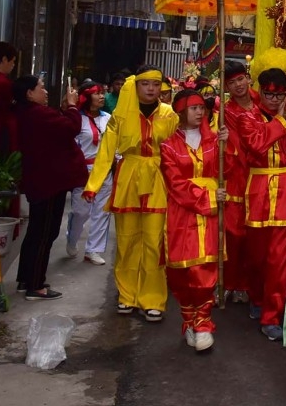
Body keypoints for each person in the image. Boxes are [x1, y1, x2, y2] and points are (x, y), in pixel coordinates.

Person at [83, 67, 179, 321]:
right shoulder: (121, 115)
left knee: (154, 243)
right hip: (128, 180)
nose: (150, 89)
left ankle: (153, 299)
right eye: (145, 83)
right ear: (135, 86)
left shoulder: (169, 115)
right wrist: (93, 185)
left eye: (155, 85)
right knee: (126, 243)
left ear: (161, 88)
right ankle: (127, 295)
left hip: (158, 180)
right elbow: (106, 150)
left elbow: (179, 149)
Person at [236, 67, 286, 340]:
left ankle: (272, 315)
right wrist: (283, 123)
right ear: (260, 92)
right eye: (269, 94)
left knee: (282, 261)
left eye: (280, 95)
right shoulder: (247, 119)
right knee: (257, 258)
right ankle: (257, 296)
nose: (275, 100)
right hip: (258, 194)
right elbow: (257, 144)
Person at [159, 89, 230, 352]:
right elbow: (175, 184)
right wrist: (209, 198)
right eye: (194, 108)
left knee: (205, 270)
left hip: (210, 216)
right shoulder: (168, 146)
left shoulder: (214, 142)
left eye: (202, 107)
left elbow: (227, 170)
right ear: (180, 111)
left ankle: (203, 323)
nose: (200, 112)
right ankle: (188, 319)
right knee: (180, 272)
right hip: (182, 212)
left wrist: (227, 145)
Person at [13, 75, 86, 300]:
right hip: (49, 181)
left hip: (41, 179)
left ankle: (26, 279)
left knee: (36, 231)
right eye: (41, 88)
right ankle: (36, 285)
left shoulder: (28, 113)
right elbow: (71, 127)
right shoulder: (37, 114)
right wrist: (73, 107)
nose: (45, 92)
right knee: (45, 233)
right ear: (29, 93)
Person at [221, 59, 260, 305]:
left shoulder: (263, 101)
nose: (237, 85)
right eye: (231, 82)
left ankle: (246, 284)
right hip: (237, 175)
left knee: (253, 234)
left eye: (240, 79)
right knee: (233, 233)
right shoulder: (225, 111)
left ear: (248, 78)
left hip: (260, 171)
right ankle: (228, 282)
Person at [65, 80, 113, 265]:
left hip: (104, 170)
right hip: (82, 170)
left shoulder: (108, 118)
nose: (102, 96)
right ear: (86, 97)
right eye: (97, 93)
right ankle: (72, 238)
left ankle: (93, 250)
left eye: (103, 92)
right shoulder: (76, 118)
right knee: (81, 212)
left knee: (102, 211)